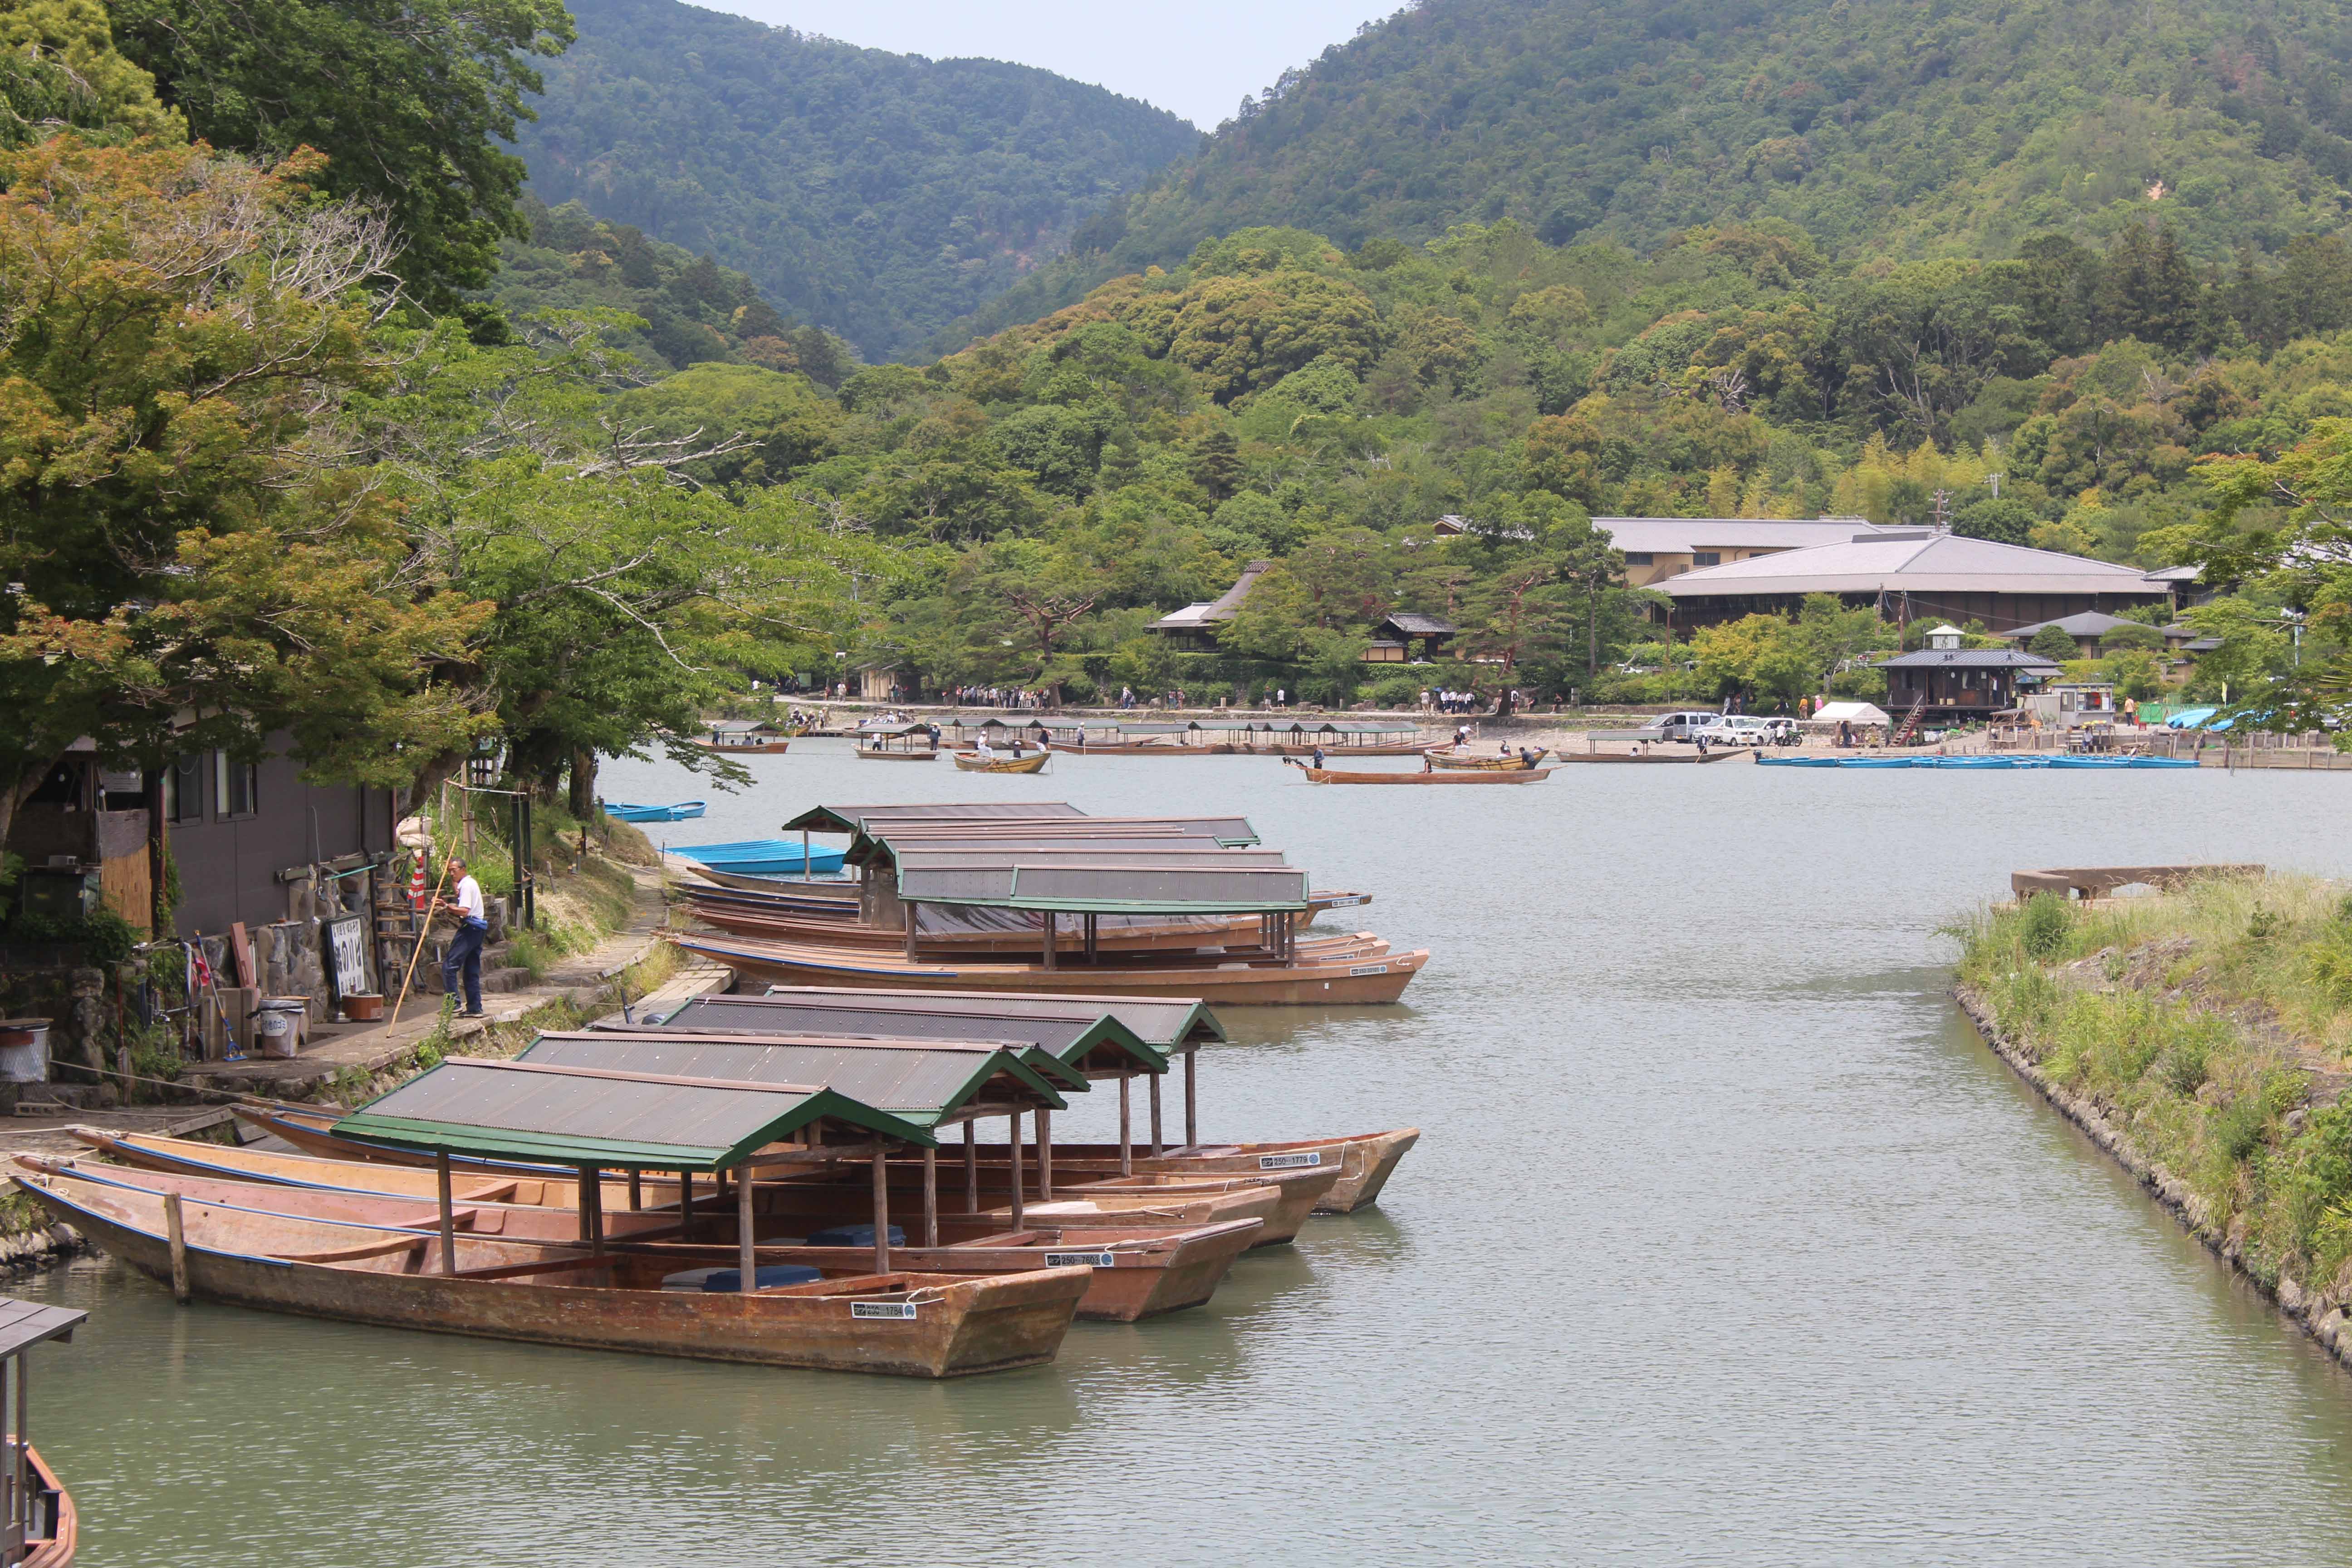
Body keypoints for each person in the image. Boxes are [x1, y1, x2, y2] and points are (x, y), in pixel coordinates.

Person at [435, 855, 489, 1019]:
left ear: (463, 870)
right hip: (478, 930)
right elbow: (458, 891)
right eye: (449, 871)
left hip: (470, 929)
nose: (452, 874)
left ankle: (454, 1005)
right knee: (471, 970)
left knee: (449, 966)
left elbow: (464, 910)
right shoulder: (468, 883)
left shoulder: (467, 886)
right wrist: (454, 885)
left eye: (454, 870)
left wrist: (446, 907)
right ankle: (475, 1008)